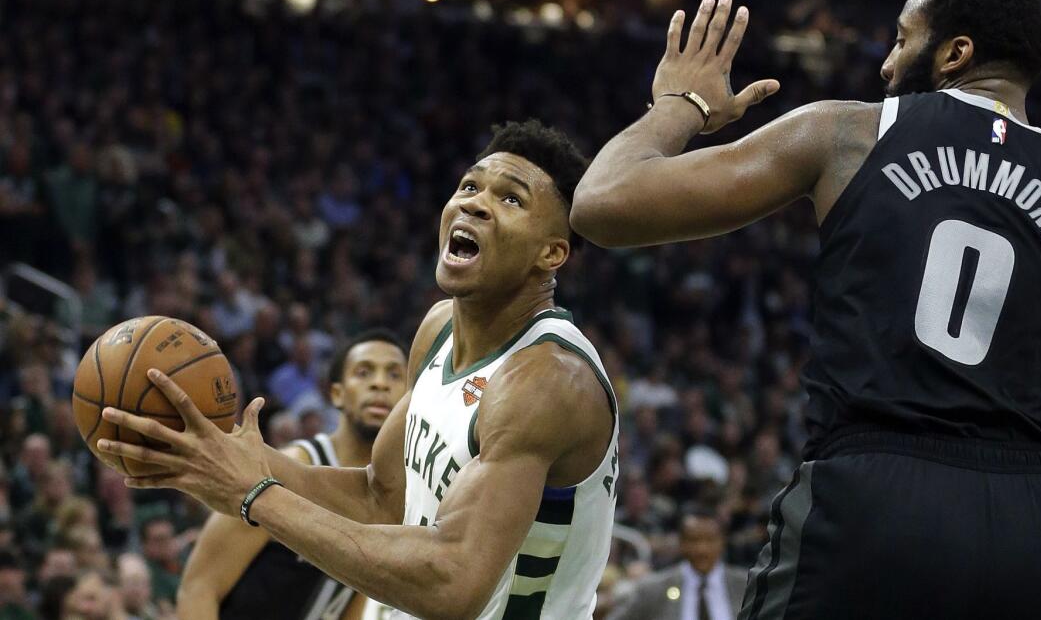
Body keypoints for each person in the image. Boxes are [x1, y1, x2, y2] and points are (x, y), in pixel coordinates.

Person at [571, 0, 1041, 620]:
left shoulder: (849, 134)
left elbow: (603, 202)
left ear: (954, 53)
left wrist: (678, 106)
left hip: (875, 499)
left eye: (901, 39)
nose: (886, 65)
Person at [98, 120, 620, 619]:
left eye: (510, 198)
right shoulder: (439, 329)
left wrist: (253, 494)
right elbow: (380, 499)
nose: (476, 203)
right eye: (469, 185)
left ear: (552, 253)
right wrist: (235, 462)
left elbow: (453, 585)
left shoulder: (547, 379)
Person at [176, 329, 408, 620]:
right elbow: (199, 589)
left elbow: (353, 601)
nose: (379, 384)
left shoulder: (392, 493)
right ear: (336, 393)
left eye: (395, 375)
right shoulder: (290, 466)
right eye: (364, 372)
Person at [609, 505, 747, 620]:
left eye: (709, 540)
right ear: (681, 543)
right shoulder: (653, 589)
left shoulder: (747, 586)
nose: (701, 549)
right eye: (694, 540)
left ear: (722, 542)